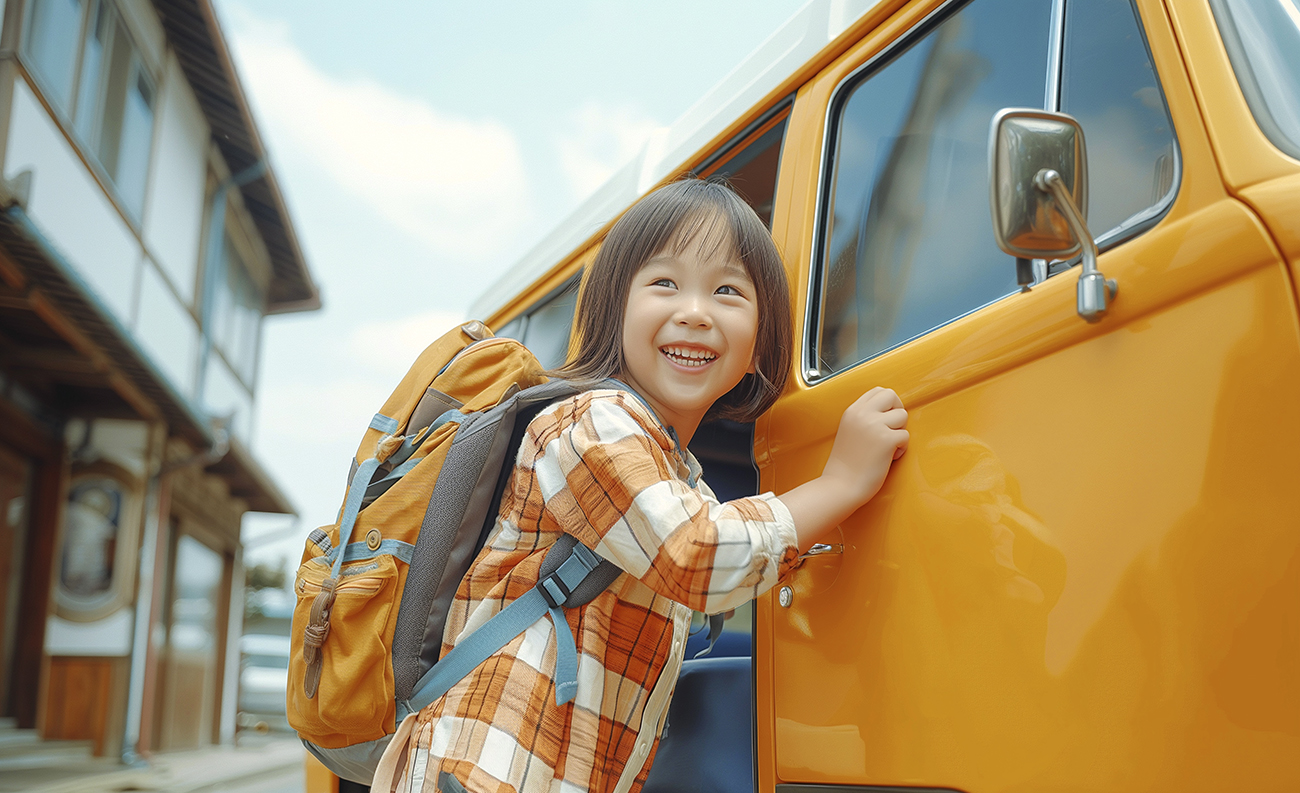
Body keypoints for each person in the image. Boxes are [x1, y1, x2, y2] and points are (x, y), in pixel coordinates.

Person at [372, 179, 909, 793]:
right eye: (665, 284)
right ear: (612, 311)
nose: (696, 311)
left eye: (728, 291)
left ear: (761, 346)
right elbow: (698, 557)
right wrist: (841, 482)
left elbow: (727, 559)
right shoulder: (592, 422)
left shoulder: (680, 475)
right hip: (488, 767)